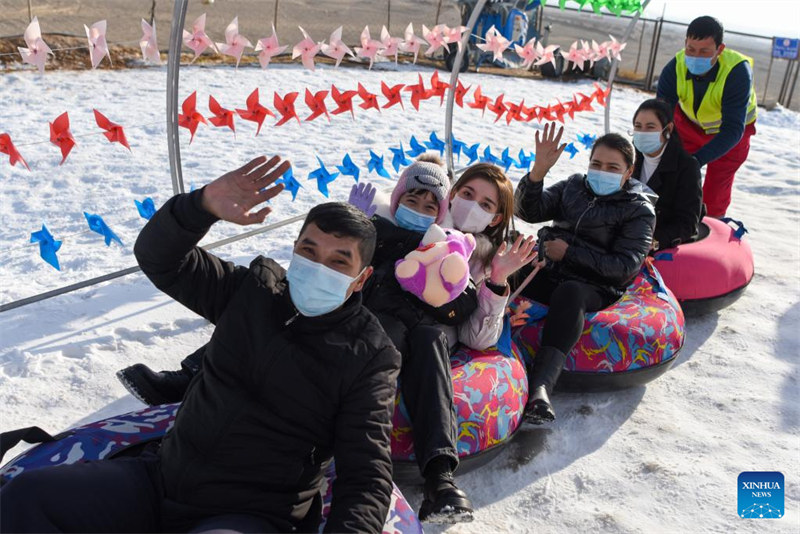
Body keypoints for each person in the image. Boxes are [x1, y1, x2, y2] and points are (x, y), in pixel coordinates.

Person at [1, 156, 401, 534]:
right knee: (28, 498)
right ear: (294, 250)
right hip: (163, 480)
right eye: (309, 251)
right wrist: (202, 205)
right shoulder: (252, 292)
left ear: (360, 279)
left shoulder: (368, 356)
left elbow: (365, 472)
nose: (318, 268)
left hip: (249, 511)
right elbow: (160, 259)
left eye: (338, 262)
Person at [117, 155, 479, 524]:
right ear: (397, 198)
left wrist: (435, 283)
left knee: (427, 338)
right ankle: (188, 376)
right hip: (339, 317)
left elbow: (464, 302)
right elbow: (306, 272)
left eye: (429, 205)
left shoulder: (446, 247)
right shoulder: (372, 231)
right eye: (411, 200)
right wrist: (203, 206)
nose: (417, 210)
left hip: (393, 332)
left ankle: (439, 474)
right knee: (269, 309)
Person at [514, 124, 656, 425]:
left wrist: (569, 253)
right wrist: (537, 173)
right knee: (507, 262)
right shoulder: (573, 186)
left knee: (570, 293)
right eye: (596, 164)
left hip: (595, 286)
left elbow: (624, 267)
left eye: (612, 167)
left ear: (628, 172)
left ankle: (540, 387)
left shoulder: (639, 210)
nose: (602, 171)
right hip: (550, 267)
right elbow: (527, 211)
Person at [657, 15, 758, 218]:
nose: (696, 56)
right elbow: (660, 113)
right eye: (691, 49)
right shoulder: (675, 67)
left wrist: (697, 159)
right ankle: (664, 221)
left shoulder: (737, 71)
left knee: (715, 194)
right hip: (688, 127)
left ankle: (710, 231)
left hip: (731, 135)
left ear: (720, 50)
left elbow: (733, 129)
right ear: (685, 43)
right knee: (671, 175)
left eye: (704, 51)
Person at [631, 98, 703, 249]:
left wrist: (654, 241)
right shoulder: (629, 157)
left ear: (668, 129)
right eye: (638, 126)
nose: (642, 132)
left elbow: (687, 222)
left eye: (650, 127)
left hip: (656, 242)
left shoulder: (687, 167)